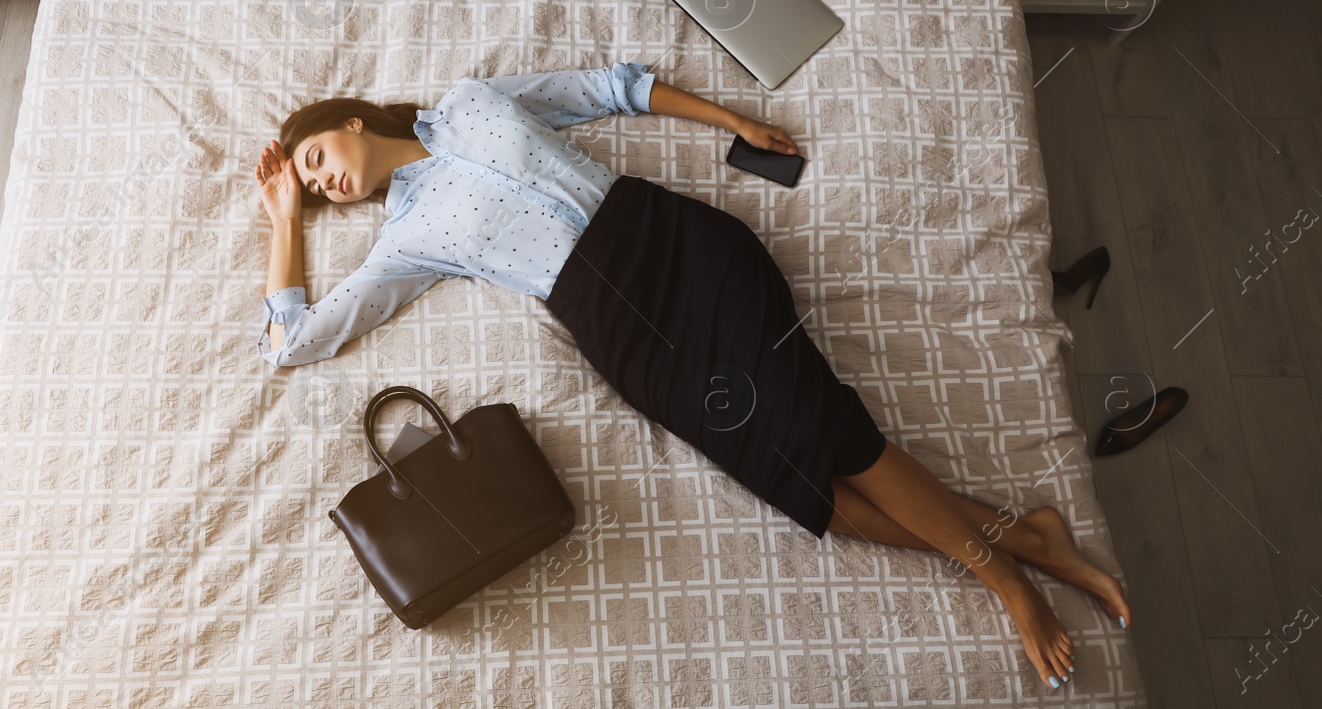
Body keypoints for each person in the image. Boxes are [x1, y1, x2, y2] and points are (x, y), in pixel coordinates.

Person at [255, 62, 1128, 690]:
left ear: (350, 120)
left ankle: (1002, 572)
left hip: (681, 249)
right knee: (803, 489)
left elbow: (608, 87)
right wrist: (284, 221)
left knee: (834, 436)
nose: (326, 181)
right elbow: (291, 341)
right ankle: (1026, 536)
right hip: (622, 332)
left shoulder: (473, 101)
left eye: (316, 159)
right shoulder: (402, 242)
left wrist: (733, 123)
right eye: (318, 188)